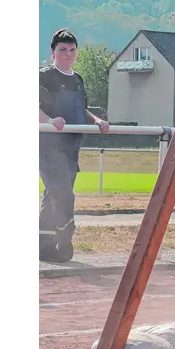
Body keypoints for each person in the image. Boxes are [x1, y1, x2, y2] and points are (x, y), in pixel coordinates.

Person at [39, 29, 111, 262]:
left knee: (53, 195)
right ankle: (65, 235)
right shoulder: (44, 76)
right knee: (63, 194)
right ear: (53, 52)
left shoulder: (78, 79)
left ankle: (44, 244)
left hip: (72, 146)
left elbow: (82, 108)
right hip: (49, 145)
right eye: (63, 50)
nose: (68, 54)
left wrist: (97, 120)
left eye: (72, 50)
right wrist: (49, 121)